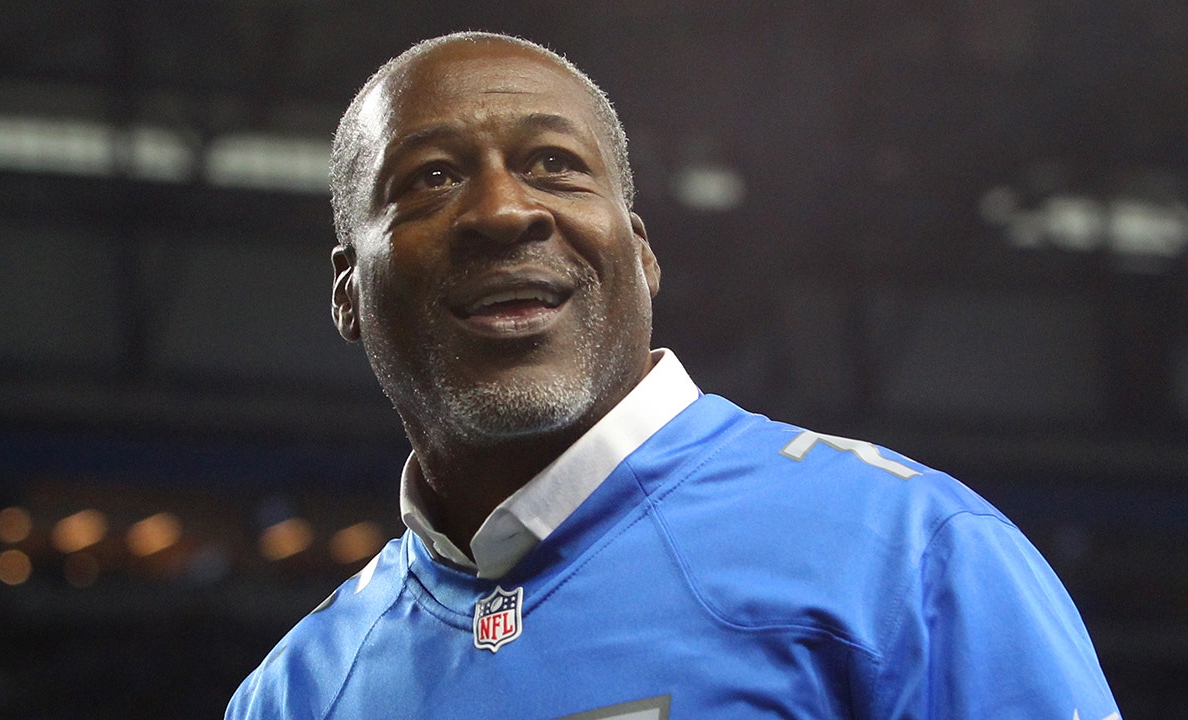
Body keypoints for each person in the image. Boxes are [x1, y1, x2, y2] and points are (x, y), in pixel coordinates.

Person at [226, 31, 1120, 719]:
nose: (502, 211)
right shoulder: (294, 694)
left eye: (555, 166)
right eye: (429, 178)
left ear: (642, 253)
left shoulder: (909, 551)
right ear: (348, 292)